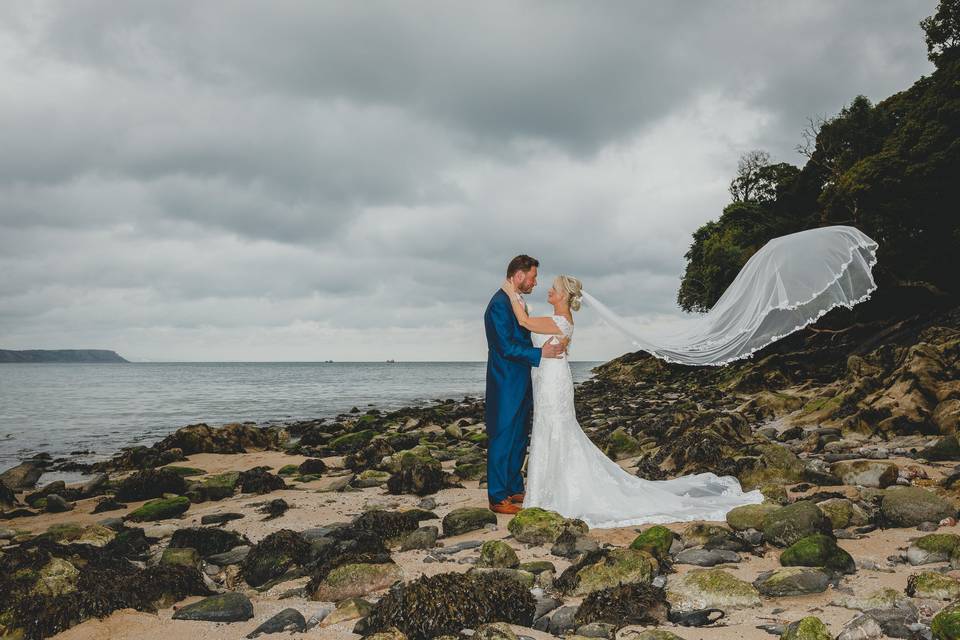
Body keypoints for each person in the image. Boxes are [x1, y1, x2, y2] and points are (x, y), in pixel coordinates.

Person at [500, 274, 764, 528]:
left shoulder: (560, 320)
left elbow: (523, 322)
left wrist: (511, 293)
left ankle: (553, 494)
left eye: (554, 289)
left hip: (553, 381)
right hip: (548, 378)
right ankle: (548, 490)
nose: (549, 291)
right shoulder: (557, 318)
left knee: (557, 430)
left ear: (564, 296)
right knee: (551, 430)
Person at [483, 255, 565, 515]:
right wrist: (541, 355)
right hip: (505, 382)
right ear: (519, 275)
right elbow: (505, 346)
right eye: (532, 277)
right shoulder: (498, 304)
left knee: (519, 437)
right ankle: (497, 497)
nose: (535, 282)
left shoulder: (517, 302)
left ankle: (513, 486)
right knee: (502, 437)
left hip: (523, 380)